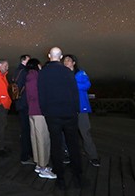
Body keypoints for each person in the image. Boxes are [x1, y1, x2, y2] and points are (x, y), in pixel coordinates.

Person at [38, 47, 82, 190]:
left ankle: (60, 179)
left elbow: (41, 95)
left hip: (52, 115)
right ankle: (78, 176)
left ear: (49, 55)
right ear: (61, 56)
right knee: (73, 145)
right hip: (69, 113)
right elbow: (74, 93)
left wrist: (46, 112)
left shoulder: (43, 73)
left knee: (56, 146)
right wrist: (76, 110)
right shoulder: (67, 72)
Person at [63, 54, 100, 167]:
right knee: (66, 133)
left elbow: (86, 85)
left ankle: (93, 156)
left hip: (81, 108)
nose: (66, 62)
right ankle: (67, 154)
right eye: (64, 60)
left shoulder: (80, 73)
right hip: (67, 109)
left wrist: (72, 81)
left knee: (85, 132)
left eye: (68, 60)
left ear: (74, 62)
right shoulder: (62, 75)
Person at [25, 58, 55, 179]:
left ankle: (38, 164)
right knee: (43, 138)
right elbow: (36, 94)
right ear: (37, 65)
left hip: (31, 111)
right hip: (39, 111)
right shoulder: (36, 76)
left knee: (35, 138)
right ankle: (43, 167)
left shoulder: (28, 76)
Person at [13, 54, 33, 165]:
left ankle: (26, 154)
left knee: (25, 129)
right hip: (24, 104)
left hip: (20, 104)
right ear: (24, 61)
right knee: (26, 130)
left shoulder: (17, 71)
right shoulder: (24, 72)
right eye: (29, 60)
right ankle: (25, 156)